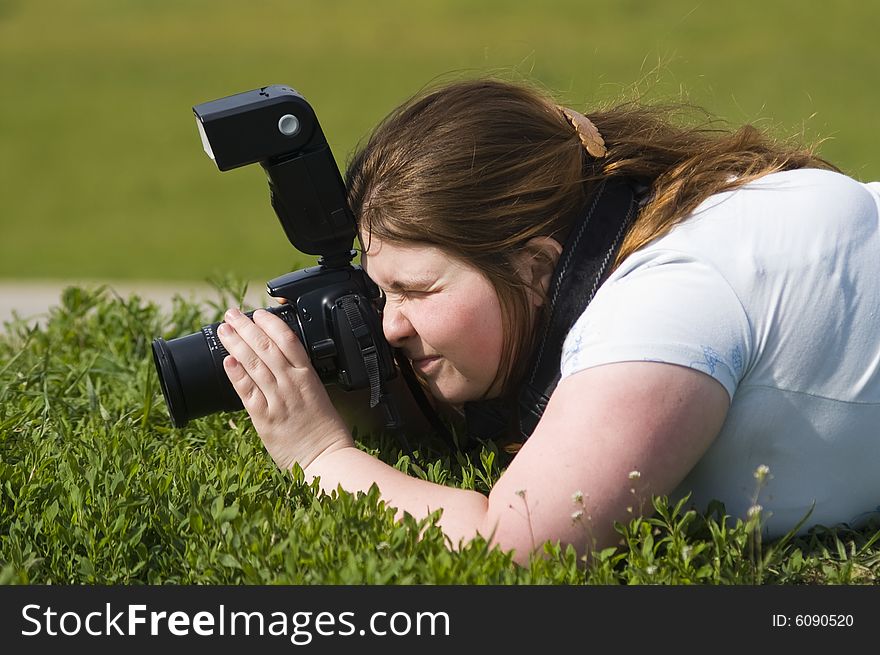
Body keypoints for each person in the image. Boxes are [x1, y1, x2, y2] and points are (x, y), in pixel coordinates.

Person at [216, 77, 880, 565]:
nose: (391, 326)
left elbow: (518, 546)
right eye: (381, 292)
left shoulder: (661, 308)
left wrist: (321, 453)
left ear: (536, 266)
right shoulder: (668, 210)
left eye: (416, 290)